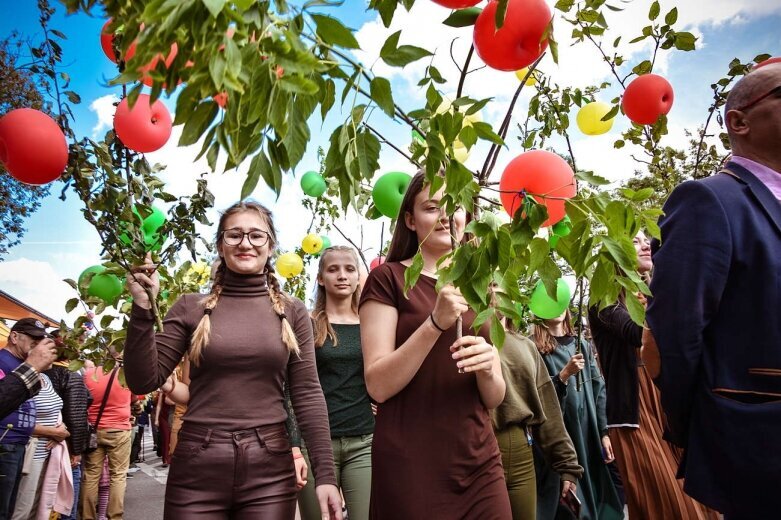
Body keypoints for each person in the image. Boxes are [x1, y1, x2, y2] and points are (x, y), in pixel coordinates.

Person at [123, 201, 342, 519]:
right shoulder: (189, 307)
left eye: (256, 235)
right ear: (220, 245)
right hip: (197, 467)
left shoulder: (293, 311)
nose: (245, 243)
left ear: (270, 246)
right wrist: (142, 309)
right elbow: (144, 380)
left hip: (270, 470)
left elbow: (307, 393)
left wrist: (326, 477)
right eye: (234, 235)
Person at [646, 60, 781, 519]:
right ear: (739, 121)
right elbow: (675, 337)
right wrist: (698, 428)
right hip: (761, 450)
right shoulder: (708, 199)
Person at [359, 171, 511, 519]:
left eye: (454, 205)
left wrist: (489, 367)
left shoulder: (486, 286)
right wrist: (434, 323)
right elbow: (378, 386)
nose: (445, 215)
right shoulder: (388, 278)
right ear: (410, 220)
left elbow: (494, 397)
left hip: (478, 459)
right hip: (411, 461)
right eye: (431, 207)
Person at [589, 232, 717, 520]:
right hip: (636, 410)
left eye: (646, 239)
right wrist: (660, 309)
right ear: (614, 251)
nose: (646, 244)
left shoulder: (655, 292)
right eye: (634, 241)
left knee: (698, 497)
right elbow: (637, 335)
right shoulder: (603, 299)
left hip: (668, 403)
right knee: (669, 504)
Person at [295, 246, 374, 520]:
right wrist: (294, 445)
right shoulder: (306, 324)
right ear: (320, 278)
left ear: (358, 277)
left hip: (363, 442)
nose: (342, 275)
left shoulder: (372, 324)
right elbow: (291, 388)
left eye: (349, 269)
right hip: (314, 444)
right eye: (333, 269)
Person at [531, 310, 622, 520]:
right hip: (562, 434)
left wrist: (604, 431)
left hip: (588, 431)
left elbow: (599, 390)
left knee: (599, 488)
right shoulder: (535, 348)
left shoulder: (581, 343)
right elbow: (538, 397)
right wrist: (563, 375)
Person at [492, 328, 583, 520]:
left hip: (521, 454)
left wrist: (567, 464)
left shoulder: (524, 346)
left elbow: (547, 407)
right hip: (477, 448)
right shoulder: (460, 338)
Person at [0, 318, 58, 520]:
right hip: (5, 443)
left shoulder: (22, 363)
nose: (38, 344)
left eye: (40, 339)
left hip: (18, 444)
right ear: (14, 337)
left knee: (9, 507)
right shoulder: (2, 361)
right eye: (33, 339)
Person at [44, 332, 91, 520]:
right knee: (66, 501)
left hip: (43, 443)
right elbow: (76, 415)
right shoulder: (69, 374)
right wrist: (76, 450)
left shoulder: (41, 372)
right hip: (64, 445)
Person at [10, 369, 67, 519]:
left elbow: (56, 410)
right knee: (22, 508)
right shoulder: (19, 378)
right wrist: (53, 433)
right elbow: (14, 421)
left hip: (49, 453)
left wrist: (62, 427)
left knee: (39, 506)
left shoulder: (45, 378)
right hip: (30, 453)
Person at [81, 361, 133, 520]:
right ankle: (115, 516)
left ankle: (87, 516)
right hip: (119, 430)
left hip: (94, 430)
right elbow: (135, 398)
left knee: (90, 475)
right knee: (118, 475)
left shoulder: (88, 374)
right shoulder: (126, 375)